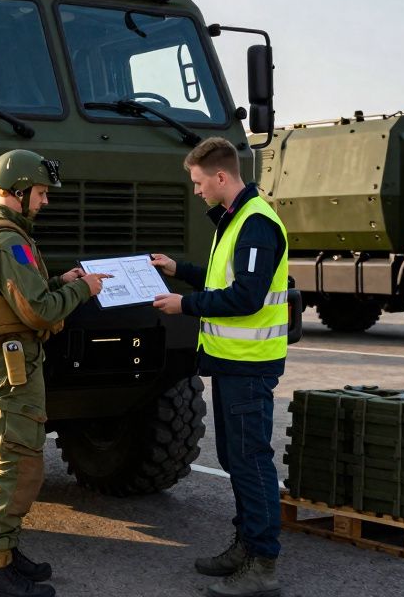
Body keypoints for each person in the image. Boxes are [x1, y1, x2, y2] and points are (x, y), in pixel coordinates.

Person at [0, 149, 108, 597]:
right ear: (17, 191)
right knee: (17, 465)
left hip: (5, 362)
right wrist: (83, 288)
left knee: (6, 459)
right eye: (40, 193)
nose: (44, 201)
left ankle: (6, 551)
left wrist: (61, 281)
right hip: (11, 368)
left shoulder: (1, 235)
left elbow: (19, 298)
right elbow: (38, 311)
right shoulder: (8, 242)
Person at [150, 137, 288, 597]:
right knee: (235, 459)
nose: (196, 191)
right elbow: (220, 279)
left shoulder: (255, 224)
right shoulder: (233, 222)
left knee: (250, 461)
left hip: (249, 365)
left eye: (198, 182)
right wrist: (178, 267)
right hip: (233, 363)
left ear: (221, 177)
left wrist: (183, 304)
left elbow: (246, 297)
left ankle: (262, 564)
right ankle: (245, 545)